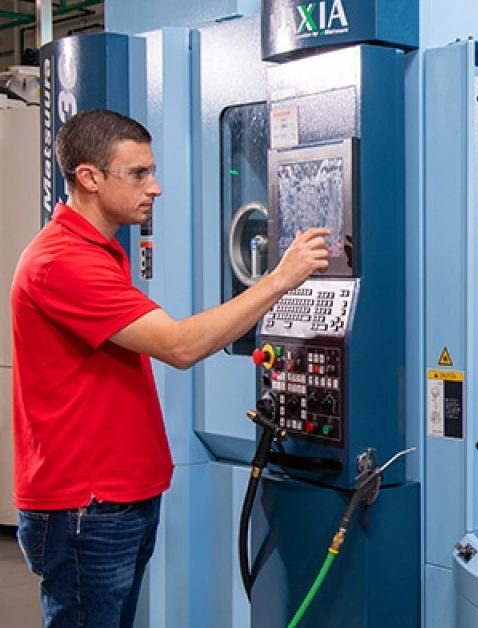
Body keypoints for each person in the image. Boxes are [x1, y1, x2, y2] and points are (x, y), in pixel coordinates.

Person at [9, 109, 330, 627]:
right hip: (86, 506)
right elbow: (178, 346)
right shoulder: (63, 262)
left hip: (118, 497)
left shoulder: (99, 250)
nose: (154, 187)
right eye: (137, 174)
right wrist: (279, 280)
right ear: (89, 178)